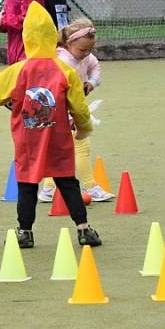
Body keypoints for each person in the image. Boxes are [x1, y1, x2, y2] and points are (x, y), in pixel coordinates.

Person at [0, 2, 102, 249]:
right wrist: (84, 128)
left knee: (27, 185)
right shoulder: (65, 70)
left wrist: (10, 102)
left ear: (27, 37)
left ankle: (25, 232)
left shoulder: (17, 70)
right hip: (58, 137)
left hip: (27, 140)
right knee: (68, 182)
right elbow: (79, 107)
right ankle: (83, 229)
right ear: (53, 37)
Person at [38, 18, 114, 203]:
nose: (86, 54)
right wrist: (70, 115)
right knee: (81, 146)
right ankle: (90, 186)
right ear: (69, 43)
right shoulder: (62, 61)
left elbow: (95, 66)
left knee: (59, 150)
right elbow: (59, 93)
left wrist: (92, 82)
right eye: (82, 50)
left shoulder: (85, 56)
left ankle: (48, 189)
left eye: (90, 50)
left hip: (73, 107)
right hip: (60, 110)